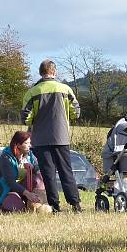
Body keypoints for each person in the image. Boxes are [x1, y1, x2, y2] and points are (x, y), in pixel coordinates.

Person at [21, 59, 82, 213]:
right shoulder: (65, 89)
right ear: (54, 72)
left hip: (40, 139)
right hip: (61, 137)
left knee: (48, 173)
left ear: (41, 73)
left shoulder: (32, 92)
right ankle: (75, 204)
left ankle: (55, 206)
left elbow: (25, 117)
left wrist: (34, 121)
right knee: (65, 171)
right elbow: (76, 112)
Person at [0, 130, 45, 213]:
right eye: (26, 143)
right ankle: (1, 207)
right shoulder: (5, 158)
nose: (30, 146)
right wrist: (28, 194)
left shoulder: (29, 154)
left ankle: (39, 203)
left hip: (22, 190)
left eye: (30, 143)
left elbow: (38, 169)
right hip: (6, 191)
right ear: (18, 145)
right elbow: (10, 182)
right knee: (19, 210)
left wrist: (34, 168)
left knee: (37, 178)